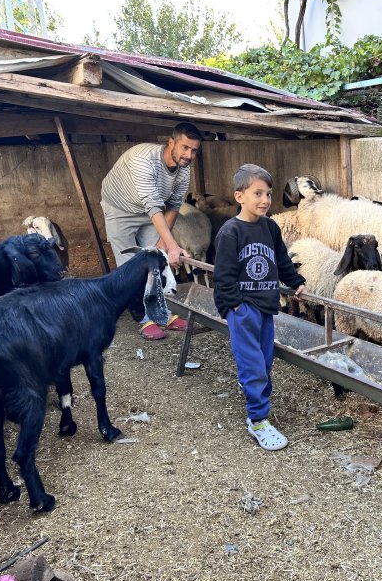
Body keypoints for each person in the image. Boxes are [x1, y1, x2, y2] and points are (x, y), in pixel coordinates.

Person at [213, 164, 306, 451]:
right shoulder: (230, 233)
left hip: (266, 306)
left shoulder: (270, 228)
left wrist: (295, 281)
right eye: (257, 193)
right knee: (253, 366)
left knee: (264, 362)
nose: (264, 200)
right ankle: (258, 420)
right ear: (239, 196)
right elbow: (223, 276)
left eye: (268, 193)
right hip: (243, 310)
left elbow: (281, 260)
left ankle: (253, 391)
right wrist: (235, 306)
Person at [100, 122, 201, 340]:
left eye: (194, 150)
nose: (189, 155)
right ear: (171, 142)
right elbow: (152, 204)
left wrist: (164, 246)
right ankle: (144, 319)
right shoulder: (144, 159)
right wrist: (173, 245)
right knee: (129, 265)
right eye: (184, 147)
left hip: (149, 211)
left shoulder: (184, 170)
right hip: (120, 208)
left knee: (156, 261)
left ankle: (163, 313)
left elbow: (173, 205)